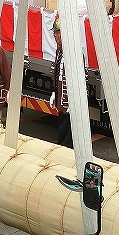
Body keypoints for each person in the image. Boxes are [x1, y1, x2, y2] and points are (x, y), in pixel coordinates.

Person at [50, 16, 72, 147]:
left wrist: (72, 100)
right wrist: (54, 92)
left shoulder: (73, 52)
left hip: (68, 98)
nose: (55, 35)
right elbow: (57, 73)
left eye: (57, 32)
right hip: (61, 95)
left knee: (68, 127)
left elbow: (78, 78)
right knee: (62, 124)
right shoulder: (60, 50)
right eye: (55, 32)